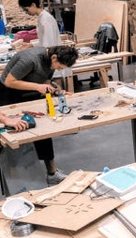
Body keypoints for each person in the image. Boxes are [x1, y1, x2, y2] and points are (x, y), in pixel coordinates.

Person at [0, 45, 79, 185]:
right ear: (54, 57)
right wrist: (37, 87)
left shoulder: (51, 62)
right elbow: (9, 81)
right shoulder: (29, 60)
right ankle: (15, 179)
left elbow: (46, 83)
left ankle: (52, 173)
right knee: (13, 133)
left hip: (28, 91)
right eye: (59, 66)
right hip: (8, 93)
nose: (59, 69)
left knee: (43, 130)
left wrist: (57, 92)